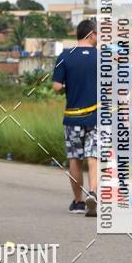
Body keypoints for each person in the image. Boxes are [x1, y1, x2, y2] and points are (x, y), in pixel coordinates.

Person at [52, 20, 98, 216]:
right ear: (91, 34)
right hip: (97, 117)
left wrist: (66, 88)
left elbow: (56, 86)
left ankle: (78, 201)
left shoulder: (65, 56)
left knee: (74, 158)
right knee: (94, 156)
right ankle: (93, 192)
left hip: (72, 117)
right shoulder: (103, 56)